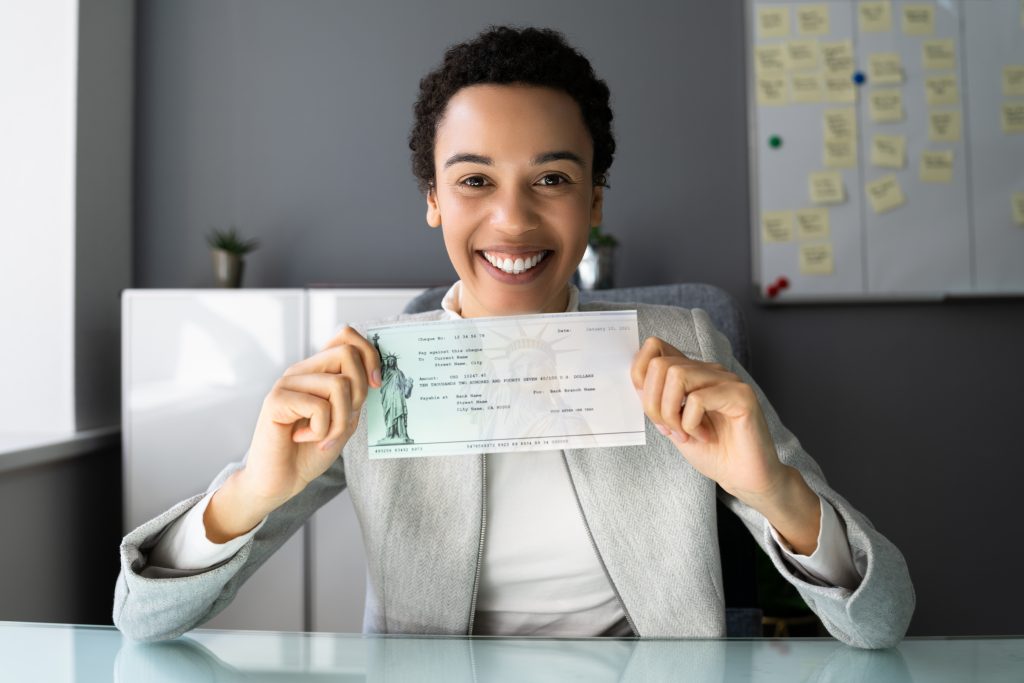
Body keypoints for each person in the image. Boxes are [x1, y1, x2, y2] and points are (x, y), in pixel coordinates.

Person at [114, 25, 914, 647]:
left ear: (594, 202)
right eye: (473, 181)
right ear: (433, 198)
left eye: (553, 180)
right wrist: (255, 488)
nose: (513, 219)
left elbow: (880, 619)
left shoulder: (687, 346)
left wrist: (771, 489)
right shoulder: (371, 374)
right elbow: (140, 616)